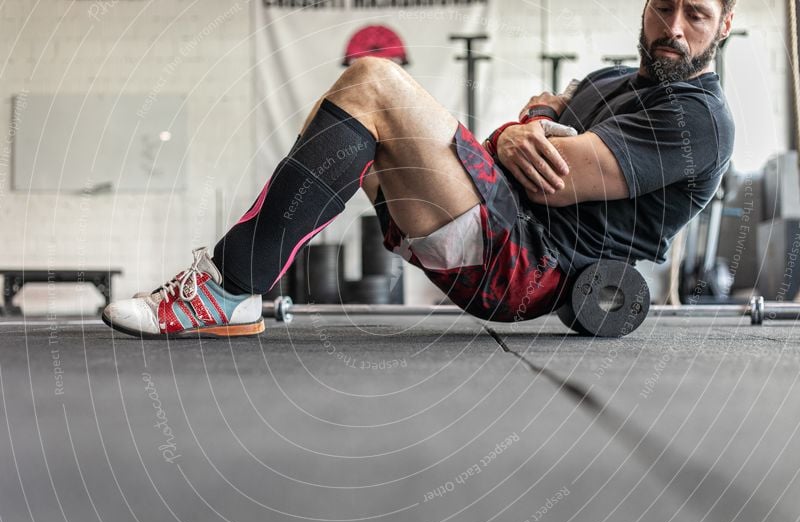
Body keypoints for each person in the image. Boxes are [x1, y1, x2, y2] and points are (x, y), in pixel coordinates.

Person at [102, 0, 736, 338]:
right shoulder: (614, 81)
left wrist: (522, 132)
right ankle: (237, 289)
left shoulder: (700, 120)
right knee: (347, 111)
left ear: (725, 24)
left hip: (528, 263)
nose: (673, 27)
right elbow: (543, 108)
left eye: (696, 14)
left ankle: (224, 288)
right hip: (500, 231)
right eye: (662, 6)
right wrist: (522, 128)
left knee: (375, 81)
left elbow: (555, 177)